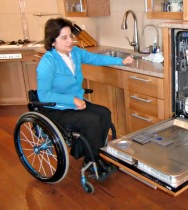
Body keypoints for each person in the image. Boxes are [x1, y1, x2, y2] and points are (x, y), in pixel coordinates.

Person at [36, 17, 134, 176]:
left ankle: (94, 155)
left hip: (77, 104)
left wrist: (121, 61)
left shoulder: (75, 53)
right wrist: (71, 100)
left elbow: (96, 58)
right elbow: (43, 94)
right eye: (64, 38)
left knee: (104, 113)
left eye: (71, 36)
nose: (70, 41)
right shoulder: (47, 62)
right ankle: (92, 161)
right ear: (52, 41)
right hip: (57, 108)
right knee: (91, 121)